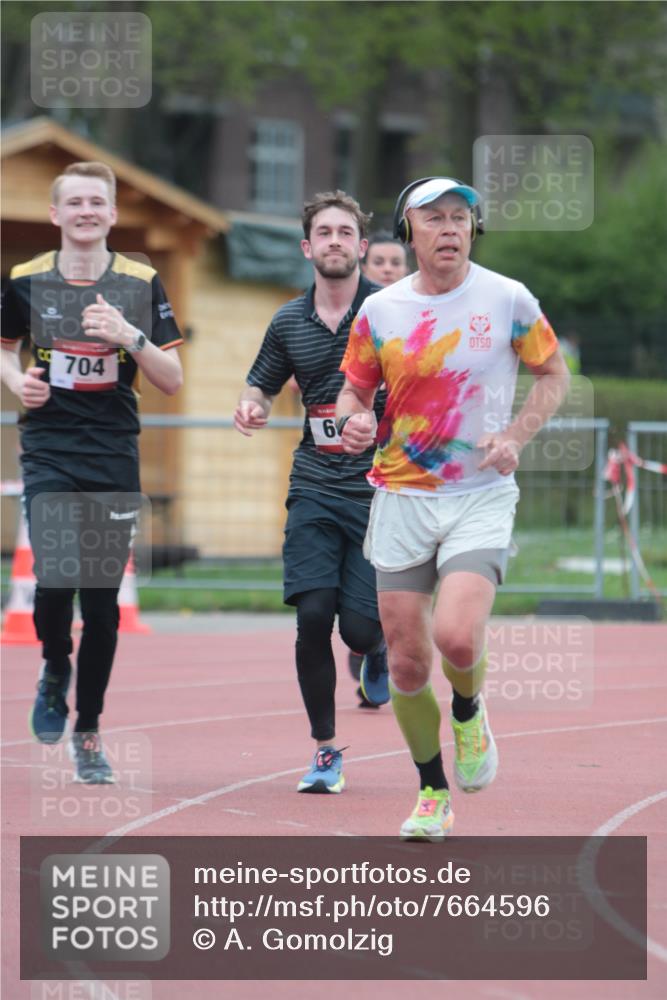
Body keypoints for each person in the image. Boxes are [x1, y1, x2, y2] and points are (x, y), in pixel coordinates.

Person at [336, 176, 570, 838]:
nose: (449, 228)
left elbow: (552, 373)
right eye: (433, 218)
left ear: (474, 229)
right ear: (407, 231)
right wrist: (351, 421)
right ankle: (431, 792)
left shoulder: (505, 299)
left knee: (456, 636)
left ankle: (467, 711)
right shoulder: (379, 311)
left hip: (479, 495)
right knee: (407, 663)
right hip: (401, 496)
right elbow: (352, 393)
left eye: (459, 218)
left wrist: (514, 435)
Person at [1, 161, 183, 782]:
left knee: (102, 607)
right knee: (54, 580)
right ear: (56, 214)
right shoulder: (25, 279)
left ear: (111, 214)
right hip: (49, 446)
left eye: (96, 202)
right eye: (73, 201)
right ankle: (55, 666)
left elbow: (172, 379)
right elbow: (2, 350)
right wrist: (16, 382)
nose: (85, 211)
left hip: (111, 449)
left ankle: (89, 734)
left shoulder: (140, 280)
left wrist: (131, 335)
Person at [233, 190, 389, 794]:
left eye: (344, 233)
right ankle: (326, 751)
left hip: (380, 491)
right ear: (307, 248)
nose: (334, 241)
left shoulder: (390, 312)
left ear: (362, 246)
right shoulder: (287, 321)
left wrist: (378, 421)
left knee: (357, 629)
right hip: (315, 486)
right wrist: (249, 407)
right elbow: (260, 385)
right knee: (312, 617)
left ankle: (373, 648)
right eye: (323, 232)